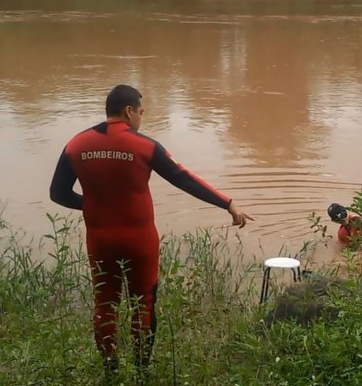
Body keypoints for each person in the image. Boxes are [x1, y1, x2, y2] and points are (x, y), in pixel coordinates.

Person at [49, 84, 253, 373]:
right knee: (143, 304)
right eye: (141, 112)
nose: (141, 119)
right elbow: (184, 179)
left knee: (105, 304)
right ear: (128, 111)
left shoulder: (75, 145)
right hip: (139, 242)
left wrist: (96, 206)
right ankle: (142, 370)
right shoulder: (145, 146)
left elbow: (58, 193)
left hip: (100, 240)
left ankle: (110, 370)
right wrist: (227, 203)